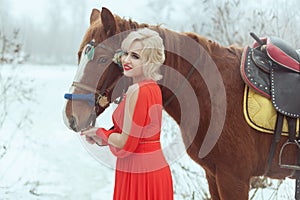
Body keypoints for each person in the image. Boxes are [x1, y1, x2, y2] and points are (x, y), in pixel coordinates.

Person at [81, 28, 174, 200]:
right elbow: (138, 137)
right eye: (127, 54)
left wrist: (100, 132)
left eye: (136, 56)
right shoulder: (153, 88)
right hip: (155, 168)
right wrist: (104, 138)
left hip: (138, 170)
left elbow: (125, 142)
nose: (127, 60)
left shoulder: (135, 90)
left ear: (150, 62)